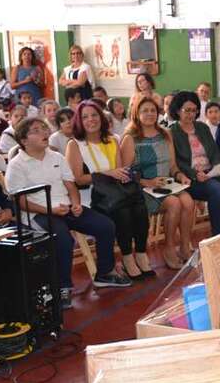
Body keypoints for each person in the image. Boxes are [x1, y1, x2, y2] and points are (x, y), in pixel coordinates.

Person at [6, 117, 131, 309]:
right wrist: (50, 210)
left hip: (65, 207)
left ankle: (104, 273)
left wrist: (76, 204)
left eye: (44, 128)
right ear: (23, 140)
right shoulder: (16, 165)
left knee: (105, 225)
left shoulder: (56, 157)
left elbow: (70, 185)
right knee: (63, 239)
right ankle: (62, 287)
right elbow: (20, 201)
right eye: (36, 130)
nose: (44, 132)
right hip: (38, 213)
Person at [66, 100, 154, 281]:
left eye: (94, 115)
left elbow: (119, 171)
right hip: (91, 196)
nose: (91, 119)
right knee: (122, 211)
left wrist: (123, 174)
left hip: (114, 191)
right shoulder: (75, 144)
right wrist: (106, 174)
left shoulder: (113, 139)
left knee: (139, 207)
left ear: (101, 117)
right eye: (85, 117)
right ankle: (127, 257)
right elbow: (78, 179)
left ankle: (141, 253)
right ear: (79, 121)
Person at [121, 97, 194, 270]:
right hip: (142, 188)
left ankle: (185, 246)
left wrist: (181, 175)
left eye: (153, 110)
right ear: (136, 114)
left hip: (166, 185)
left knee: (188, 201)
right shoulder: (130, 138)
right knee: (174, 203)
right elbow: (125, 173)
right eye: (145, 111)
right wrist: (147, 181)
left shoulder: (165, 134)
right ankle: (169, 248)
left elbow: (173, 166)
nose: (150, 114)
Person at [169, 91, 220, 235]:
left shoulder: (202, 127)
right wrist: (195, 174)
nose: (191, 114)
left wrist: (217, 167)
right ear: (177, 111)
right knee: (218, 191)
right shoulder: (172, 132)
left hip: (211, 172)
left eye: (194, 110)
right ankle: (218, 233)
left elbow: (214, 152)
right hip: (190, 177)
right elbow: (177, 162)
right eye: (187, 110)